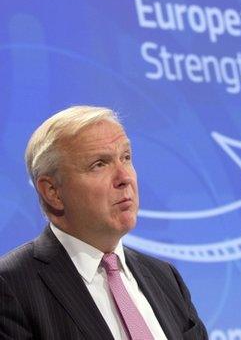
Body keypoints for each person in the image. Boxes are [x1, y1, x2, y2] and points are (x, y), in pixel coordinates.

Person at [0, 106, 208, 339]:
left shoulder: (165, 278)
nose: (125, 177)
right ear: (53, 192)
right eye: (99, 163)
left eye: (126, 158)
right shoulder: (11, 286)